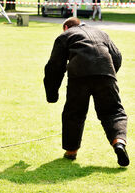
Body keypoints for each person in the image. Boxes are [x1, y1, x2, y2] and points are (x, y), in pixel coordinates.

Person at [43, 17, 129, 167]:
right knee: (113, 112)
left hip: (79, 76)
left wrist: (52, 94)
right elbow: (117, 56)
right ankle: (119, 142)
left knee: (74, 113)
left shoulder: (65, 36)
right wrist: (108, 74)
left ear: (65, 28)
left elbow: (54, 67)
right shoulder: (101, 33)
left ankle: (71, 151)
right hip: (105, 72)